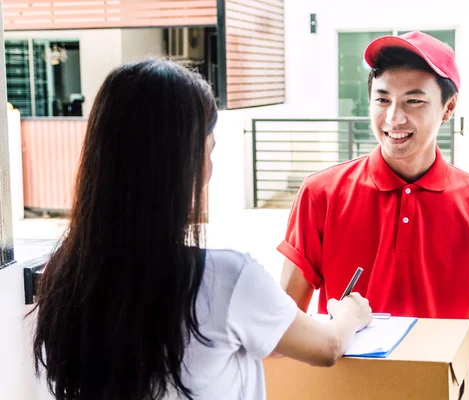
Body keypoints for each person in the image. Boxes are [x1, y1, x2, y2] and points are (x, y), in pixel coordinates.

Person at [30, 59, 372, 400]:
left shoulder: (65, 272)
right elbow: (327, 347)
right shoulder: (225, 277)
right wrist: (350, 314)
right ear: (184, 164)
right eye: (208, 150)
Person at [278, 31, 469, 400]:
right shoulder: (321, 194)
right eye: (382, 99)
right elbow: (284, 313)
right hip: (343, 389)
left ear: (449, 107)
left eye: (414, 101)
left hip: (440, 389)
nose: (394, 117)